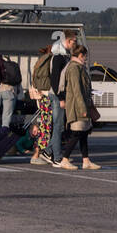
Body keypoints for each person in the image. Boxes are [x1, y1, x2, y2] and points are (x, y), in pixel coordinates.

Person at [59, 43, 99, 169]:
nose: (85, 58)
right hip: (77, 107)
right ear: (80, 55)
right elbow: (76, 90)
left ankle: (86, 161)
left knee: (84, 134)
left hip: (82, 105)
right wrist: (82, 109)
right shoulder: (74, 68)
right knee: (76, 133)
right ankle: (65, 159)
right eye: (85, 56)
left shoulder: (78, 67)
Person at [46, 30, 76, 166]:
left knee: (59, 126)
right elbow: (55, 80)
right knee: (58, 126)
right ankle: (57, 158)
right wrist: (61, 98)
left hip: (58, 95)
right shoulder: (58, 57)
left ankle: (47, 151)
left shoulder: (63, 55)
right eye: (74, 41)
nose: (75, 43)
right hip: (57, 95)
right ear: (68, 41)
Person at [28, 43, 55, 165]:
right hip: (46, 97)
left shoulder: (40, 61)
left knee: (44, 125)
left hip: (40, 97)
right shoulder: (50, 60)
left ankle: (41, 153)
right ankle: (38, 154)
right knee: (46, 127)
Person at [0, 54, 22, 130]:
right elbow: (18, 82)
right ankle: (4, 136)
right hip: (10, 91)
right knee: (6, 117)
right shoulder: (13, 66)